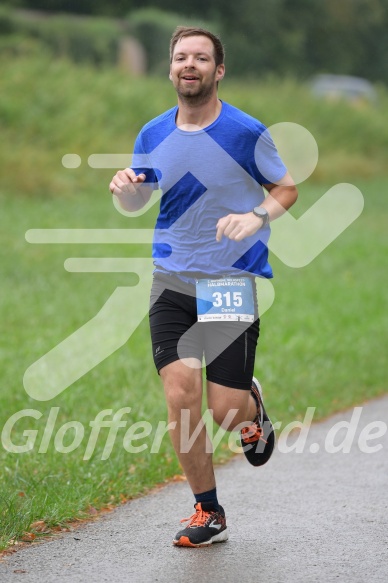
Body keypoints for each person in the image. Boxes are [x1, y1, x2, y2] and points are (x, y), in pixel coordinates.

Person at [109, 26, 298, 547]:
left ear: (219, 70)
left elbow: (286, 188)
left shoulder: (244, 131)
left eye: (200, 58)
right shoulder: (152, 134)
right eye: (180, 57)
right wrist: (124, 189)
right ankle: (207, 510)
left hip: (230, 279)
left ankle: (252, 410)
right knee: (180, 392)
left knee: (224, 408)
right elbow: (138, 201)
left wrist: (257, 216)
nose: (188, 65)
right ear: (170, 68)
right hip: (171, 278)